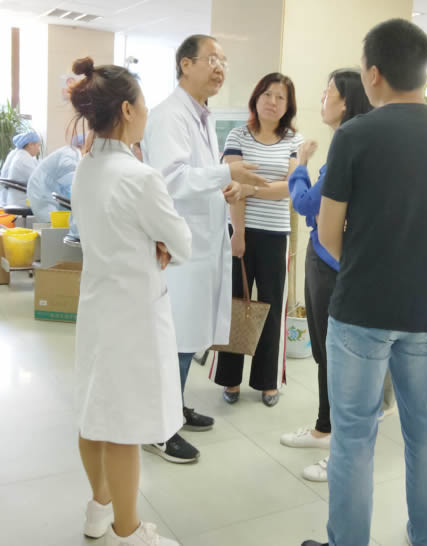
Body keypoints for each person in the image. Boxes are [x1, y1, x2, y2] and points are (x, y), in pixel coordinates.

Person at [302, 19, 427, 546]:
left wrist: (367, 260)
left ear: (374, 73)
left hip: (361, 310)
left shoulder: (355, 136)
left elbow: (328, 234)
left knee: (354, 439)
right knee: (425, 432)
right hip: (426, 312)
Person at [69, 56, 192, 546]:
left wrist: (150, 238)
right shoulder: (140, 176)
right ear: (126, 110)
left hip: (97, 306)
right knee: (123, 425)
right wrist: (160, 240)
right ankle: (129, 531)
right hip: (134, 315)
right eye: (142, 104)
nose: (145, 114)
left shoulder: (86, 168)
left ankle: (98, 509)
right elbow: (182, 242)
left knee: (94, 412)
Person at [142, 34, 266, 463]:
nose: (220, 68)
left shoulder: (201, 115)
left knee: (188, 334)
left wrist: (223, 186)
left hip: (199, 245)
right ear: (185, 64)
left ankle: (174, 407)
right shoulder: (169, 116)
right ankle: (159, 428)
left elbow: (199, 176)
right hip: (180, 248)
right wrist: (224, 173)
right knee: (176, 337)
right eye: (212, 59)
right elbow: (171, 179)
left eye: (224, 61)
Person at [281, 69, 396, 483]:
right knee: (325, 355)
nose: (322, 98)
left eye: (327, 91)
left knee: (339, 361)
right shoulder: (353, 146)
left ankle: (341, 452)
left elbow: (306, 204)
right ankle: (323, 429)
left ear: (346, 101)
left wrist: (299, 165)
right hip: (327, 261)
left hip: (333, 266)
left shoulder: (351, 148)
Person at [210, 72, 302, 407]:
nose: (272, 102)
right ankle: (230, 379)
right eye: (267, 94)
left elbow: (291, 187)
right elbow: (232, 187)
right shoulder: (237, 135)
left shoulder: (294, 140)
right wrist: (239, 233)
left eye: (280, 97)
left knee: (273, 306)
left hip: (276, 234)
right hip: (239, 231)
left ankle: (268, 381)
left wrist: (249, 188)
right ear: (256, 97)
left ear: (288, 105)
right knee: (235, 304)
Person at [27, 135, 85, 223]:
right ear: (82, 145)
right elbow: (67, 167)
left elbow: (65, 179)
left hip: (45, 190)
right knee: (51, 222)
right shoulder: (72, 151)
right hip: (41, 191)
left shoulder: (71, 152)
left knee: (60, 222)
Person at [1, 131, 41, 207]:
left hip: (16, 199)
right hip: (21, 202)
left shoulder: (22, 156)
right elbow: (38, 180)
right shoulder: (24, 160)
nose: (39, 150)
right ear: (30, 145)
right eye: (38, 146)